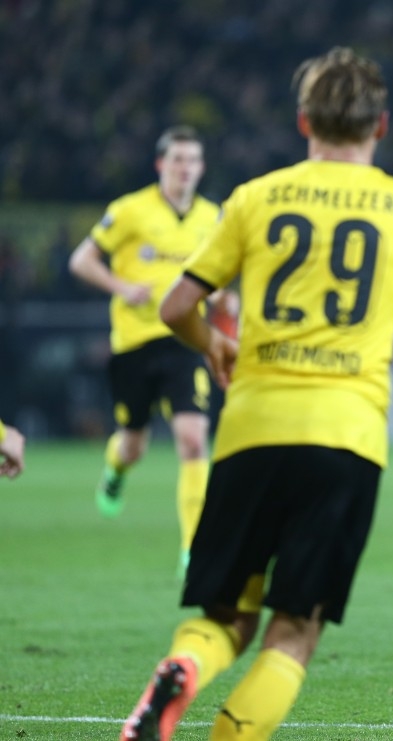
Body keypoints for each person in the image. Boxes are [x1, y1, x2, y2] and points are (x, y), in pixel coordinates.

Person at [118, 46, 393, 741]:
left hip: (252, 429)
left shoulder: (255, 197)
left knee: (225, 616)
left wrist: (215, 345)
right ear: (381, 125)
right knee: (295, 629)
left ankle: (184, 665)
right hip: (345, 440)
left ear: (303, 122)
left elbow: (175, 307)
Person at [68, 125, 226, 575]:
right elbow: (81, 260)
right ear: (161, 164)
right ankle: (115, 471)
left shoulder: (213, 218)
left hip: (186, 340)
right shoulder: (130, 211)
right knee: (133, 445)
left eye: (192, 160)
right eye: (177, 159)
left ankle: (193, 550)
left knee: (193, 440)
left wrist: (221, 297)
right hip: (134, 343)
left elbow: (215, 276)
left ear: (202, 167)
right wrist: (121, 287)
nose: (185, 168)